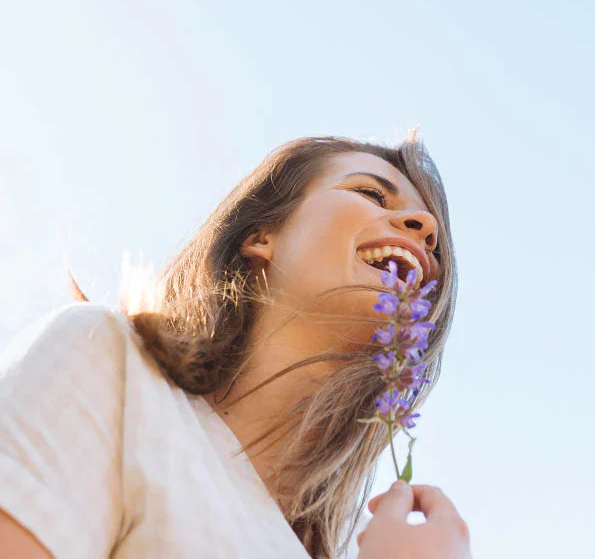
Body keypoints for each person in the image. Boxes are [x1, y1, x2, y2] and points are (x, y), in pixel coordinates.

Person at [0, 131, 472, 558]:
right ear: (260, 236)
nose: (425, 228)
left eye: (434, 242)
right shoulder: (111, 367)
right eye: (370, 193)